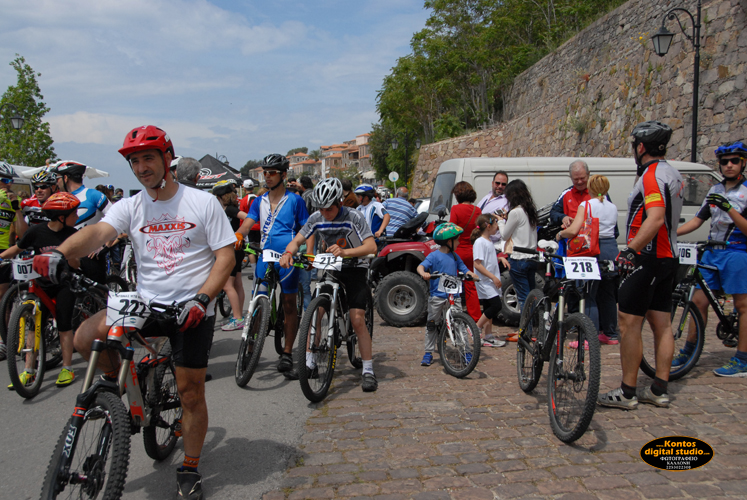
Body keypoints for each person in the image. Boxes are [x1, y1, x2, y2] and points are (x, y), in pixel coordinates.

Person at [33, 125, 235, 499]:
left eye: (148, 158)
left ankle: (190, 467)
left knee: (190, 394)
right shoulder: (130, 205)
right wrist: (60, 253)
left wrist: (203, 298)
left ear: (167, 158)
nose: (141, 167)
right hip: (144, 301)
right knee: (85, 337)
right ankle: (124, 393)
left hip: (191, 307)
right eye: (135, 161)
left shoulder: (202, 203)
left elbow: (226, 257)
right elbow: (98, 232)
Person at [598, 120, 683, 410]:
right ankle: (659, 389)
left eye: (635, 146)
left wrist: (630, 250)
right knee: (662, 323)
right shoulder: (672, 172)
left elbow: (656, 217)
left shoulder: (651, 176)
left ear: (642, 147)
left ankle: (627, 392)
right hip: (668, 257)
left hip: (648, 257)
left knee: (628, 322)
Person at [279, 177, 379, 391]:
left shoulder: (354, 216)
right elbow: (298, 240)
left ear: (339, 203)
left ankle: (368, 370)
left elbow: (372, 247)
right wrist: (288, 253)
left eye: (329, 209)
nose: (324, 213)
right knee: (315, 313)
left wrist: (346, 252)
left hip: (355, 266)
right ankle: (309, 364)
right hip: (333, 267)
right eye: (321, 209)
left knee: (357, 320)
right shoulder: (316, 217)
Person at [677, 140, 747, 377]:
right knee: (698, 302)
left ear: (743, 163)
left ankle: (742, 359)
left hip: (737, 251)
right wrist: (671, 233)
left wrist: (729, 209)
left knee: (742, 306)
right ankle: (689, 351)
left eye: (734, 161)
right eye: (724, 162)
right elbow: (697, 220)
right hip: (712, 252)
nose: (729, 165)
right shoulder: (715, 190)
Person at [236, 154, 309, 374]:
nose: (267, 176)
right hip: (265, 256)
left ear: (283, 175)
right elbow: (248, 223)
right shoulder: (259, 201)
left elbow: (307, 229)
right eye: (265, 173)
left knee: (289, 304)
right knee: (258, 300)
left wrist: (309, 253)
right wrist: (238, 235)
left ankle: (287, 353)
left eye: (272, 173)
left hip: (287, 258)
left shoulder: (295, 200)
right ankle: (250, 348)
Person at [3, 193, 82, 387]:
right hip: (42, 284)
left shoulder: (72, 234)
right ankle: (29, 370)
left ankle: (67, 368)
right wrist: (1, 258)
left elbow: (76, 264)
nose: (77, 216)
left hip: (63, 284)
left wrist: (69, 255)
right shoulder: (36, 231)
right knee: (32, 325)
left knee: (64, 324)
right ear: (61, 217)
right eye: (74, 213)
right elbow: (17, 248)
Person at [556, 175, 620, 344]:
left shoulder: (586, 205)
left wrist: (561, 234)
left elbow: (574, 230)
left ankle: (588, 337)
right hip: (611, 249)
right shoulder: (613, 207)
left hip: (593, 250)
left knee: (588, 294)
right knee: (608, 294)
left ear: (590, 188)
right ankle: (610, 333)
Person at [417, 223, 480, 366]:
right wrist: (423, 273)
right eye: (457, 240)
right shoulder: (434, 256)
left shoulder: (455, 256)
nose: (459, 243)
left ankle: (466, 351)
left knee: (460, 324)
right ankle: (428, 352)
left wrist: (473, 275)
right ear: (448, 242)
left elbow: (464, 269)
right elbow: (421, 266)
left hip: (453, 296)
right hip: (437, 296)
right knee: (432, 324)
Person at [51, 160, 112, 284]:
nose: (56, 182)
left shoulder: (93, 195)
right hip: (68, 255)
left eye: (58, 178)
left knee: (96, 293)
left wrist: (103, 245)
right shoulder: (60, 198)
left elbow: (116, 220)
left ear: (66, 178)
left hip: (90, 256)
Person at [498, 179, 538, 311]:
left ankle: (526, 324)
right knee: (532, 295)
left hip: (518, 258)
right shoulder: (530, 210)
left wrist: (500, 222)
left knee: (523, 297)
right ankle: (534, 322)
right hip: (532, 257)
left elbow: (504, 235)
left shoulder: (515, 212)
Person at [212, 180, 247, 331]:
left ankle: (237, 318)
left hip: (232, 248)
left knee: (227, 285)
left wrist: (239, 233)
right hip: (237, 248)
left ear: (220, 197)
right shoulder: (229, 209)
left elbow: (247, 217)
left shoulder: (229, 210)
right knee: (237, 283)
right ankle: (238, 315)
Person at [471, 215, 507, 347]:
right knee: (496, 305)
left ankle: (488, 336)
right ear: (488, 226)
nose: (497, 227)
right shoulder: (480, 242)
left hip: (489, 280)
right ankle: (476, 328)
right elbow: (477, 264)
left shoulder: (488, 241)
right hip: (484, 281)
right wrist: (493, 277)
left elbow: (487, 259)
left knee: (488, 308)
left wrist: (499, 258)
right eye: (496, 224)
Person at [448, 181, 482, 323]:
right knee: (471, 285)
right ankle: (476, 317)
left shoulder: (456, 209)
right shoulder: (477, 210)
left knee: (453, 283)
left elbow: (452, 230)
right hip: (472, 250)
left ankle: (454, 314)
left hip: (458, 250)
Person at [550, 160, 592, 229]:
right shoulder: (566, 193)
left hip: (593, 234)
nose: (579, 182)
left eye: (582, 178)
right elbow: (553, 213)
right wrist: (563, 217)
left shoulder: (598, 192)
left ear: (588, 174)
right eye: (576, 179)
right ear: (571, 177)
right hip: (572, 234)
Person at [475, 171, 509, 243]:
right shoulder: (487, 196)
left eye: (503, 184)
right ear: (492, 183)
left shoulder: (506, 202)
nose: (500, 186)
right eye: (497, 183)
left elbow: (503, 224)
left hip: (492, 241)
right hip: (479, 238)